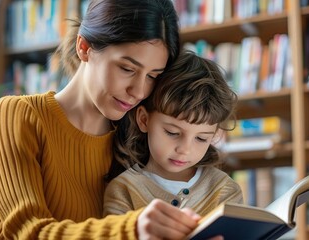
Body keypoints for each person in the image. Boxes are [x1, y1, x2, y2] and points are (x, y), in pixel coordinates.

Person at [0, 1, 202, 239]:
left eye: (152, 76)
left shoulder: (135, 138)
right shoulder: (19, 115)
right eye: (127, 69)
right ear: (84, 47)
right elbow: (29, 230)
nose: (138, 91)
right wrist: (132, 229)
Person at [103, 51, 243, 218]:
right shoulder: (124, 190)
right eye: (172, 132)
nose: (185, 149)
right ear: (144, 120)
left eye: (201, 138)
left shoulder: (224, 189)